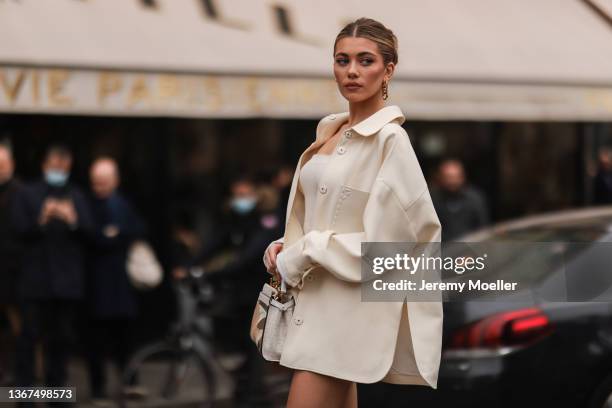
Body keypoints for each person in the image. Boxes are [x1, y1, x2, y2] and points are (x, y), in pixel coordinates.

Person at [262, 18, 443, 408]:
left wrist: (307, 250)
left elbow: (392, 244)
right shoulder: (329, 133)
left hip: (346, 314)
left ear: (388, 69)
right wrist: (285, 245)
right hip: (315, 306)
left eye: (366, 60)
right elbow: (324, 219)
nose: (352, 71)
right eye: (342, 60)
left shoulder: (390, 140)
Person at [173, 175, 281, 407]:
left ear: (256, 195)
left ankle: (254, 393)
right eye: (236, 195)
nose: (239, 200)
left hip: (261, 288)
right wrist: (191, 266)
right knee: (238, 336)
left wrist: (209, 274)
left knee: (253, 341)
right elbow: (216, 244)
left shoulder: (267, 221)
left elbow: (247, 257)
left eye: (244, 195)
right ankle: (247, 384)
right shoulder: (234, 219)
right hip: (239, 289)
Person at [11, 144, 94, 406]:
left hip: (66, 285)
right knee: (28, 340)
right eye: (54, 166)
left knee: (60, 343)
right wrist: (41, 219)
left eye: (63, 167)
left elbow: (91, 234)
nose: (58, 171)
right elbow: (17, 230)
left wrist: (73, 220)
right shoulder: (27, 193)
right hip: (35, 283)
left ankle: (56, 397)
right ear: (45, 166)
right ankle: (25, 398)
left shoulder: (77, 196)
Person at [85, 157, 146, 404]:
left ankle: (130, 383)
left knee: (126, 339)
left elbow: (135, 230)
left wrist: (112, 236)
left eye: (105, 181)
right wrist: (112, 236)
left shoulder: (123, 204)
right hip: (95, 285)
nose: (101, 186)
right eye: (97, 182)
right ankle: (98, 388)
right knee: (96, 341)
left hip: (121, 285)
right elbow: (93, 236)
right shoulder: (88, 204)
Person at [0, 140, 22, 386]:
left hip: (15, 274)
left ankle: (21, 377)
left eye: (2, 165)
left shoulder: (20, 193)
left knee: (19, 330)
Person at [430, 159, 490, 241]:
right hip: (442, 249)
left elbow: (483, 227)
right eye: (448, 177)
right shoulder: (432, 200)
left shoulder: (475, 198)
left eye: (455, 177)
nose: (452, 181)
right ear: (440, 178)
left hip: (470, 248)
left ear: (462, 177)